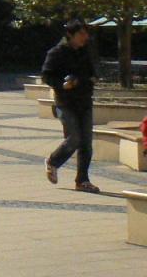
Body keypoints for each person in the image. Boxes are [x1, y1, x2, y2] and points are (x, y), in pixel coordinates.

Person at [42, 19, 99, 193]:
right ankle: (53, 161)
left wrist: (91, 79)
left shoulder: (85, 52)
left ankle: (82, 180)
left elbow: (92, 72)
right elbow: (46, 76)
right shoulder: (56, 53)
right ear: (70, 34)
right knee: (74, 139)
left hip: (84, 102)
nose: (85, 37)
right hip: (65, 103)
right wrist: (63, 84)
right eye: (81, 34)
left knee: (86, 144)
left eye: (86, 33)